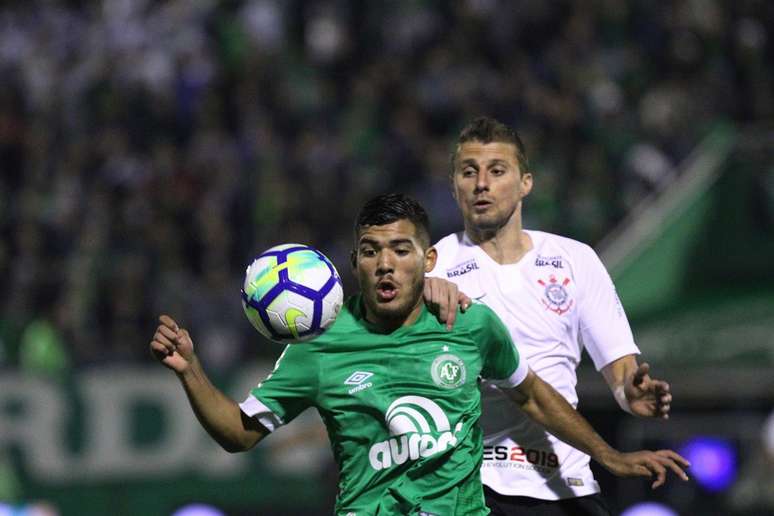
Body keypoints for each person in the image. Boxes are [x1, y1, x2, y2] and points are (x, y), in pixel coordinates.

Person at [150, 193, 688, 516]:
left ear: (428, 260)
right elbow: (239, 433)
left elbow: (535, 398)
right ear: (353, 264)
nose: (385, 264)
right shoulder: (318, 347)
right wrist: (191, 371)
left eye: (400, 250)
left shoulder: (471, 324)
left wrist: (609, 456)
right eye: (370, 251)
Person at [424, 117, 675, 515]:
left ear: (526, 183)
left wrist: (632, 393)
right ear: (455, 187)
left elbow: (622, 370)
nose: (481, 184)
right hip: (473, 487)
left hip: (566, 484)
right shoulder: (434, 269)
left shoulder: (576, 260)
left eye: (497, 171)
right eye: (468, 172)